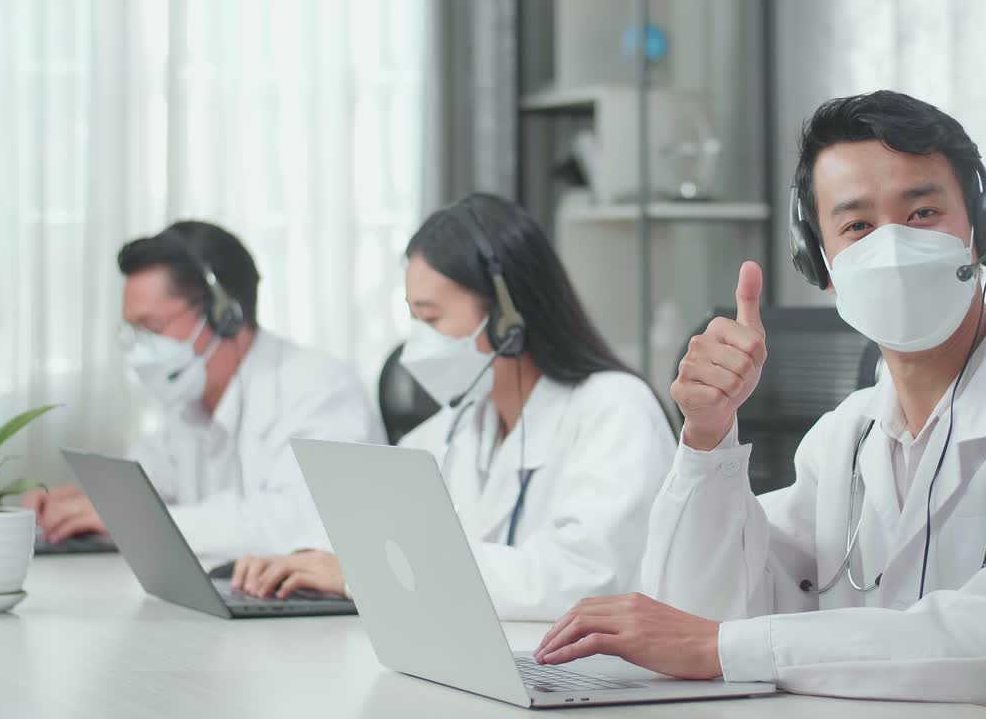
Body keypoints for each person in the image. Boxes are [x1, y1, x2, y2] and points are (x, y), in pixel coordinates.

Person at [532, 91, 986, 717]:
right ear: (821, 265)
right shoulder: (843, 440)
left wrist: (721, 647)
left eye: (922, 213)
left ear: (980, 231)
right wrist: (706, 437)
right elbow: (695, 612)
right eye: (857, 226)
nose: (893, 246)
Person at [231, 194, 677, 620]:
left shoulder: (615, 409)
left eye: (432, 318)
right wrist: (303, 558)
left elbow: (583, 580)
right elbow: (366, 527)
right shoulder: (455, 427)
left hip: (595, 683)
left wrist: (359, 573)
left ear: (507, 318)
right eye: (413, 318)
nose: (418, 341)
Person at [23, 221, 383, 559]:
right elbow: (147, 486)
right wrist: (86, 502)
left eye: (153, 326)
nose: (141, 350)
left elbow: (297, 523)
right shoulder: (189, 402)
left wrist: (136, 521)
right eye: (133, 332)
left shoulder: (320, 388)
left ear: (225, 315)